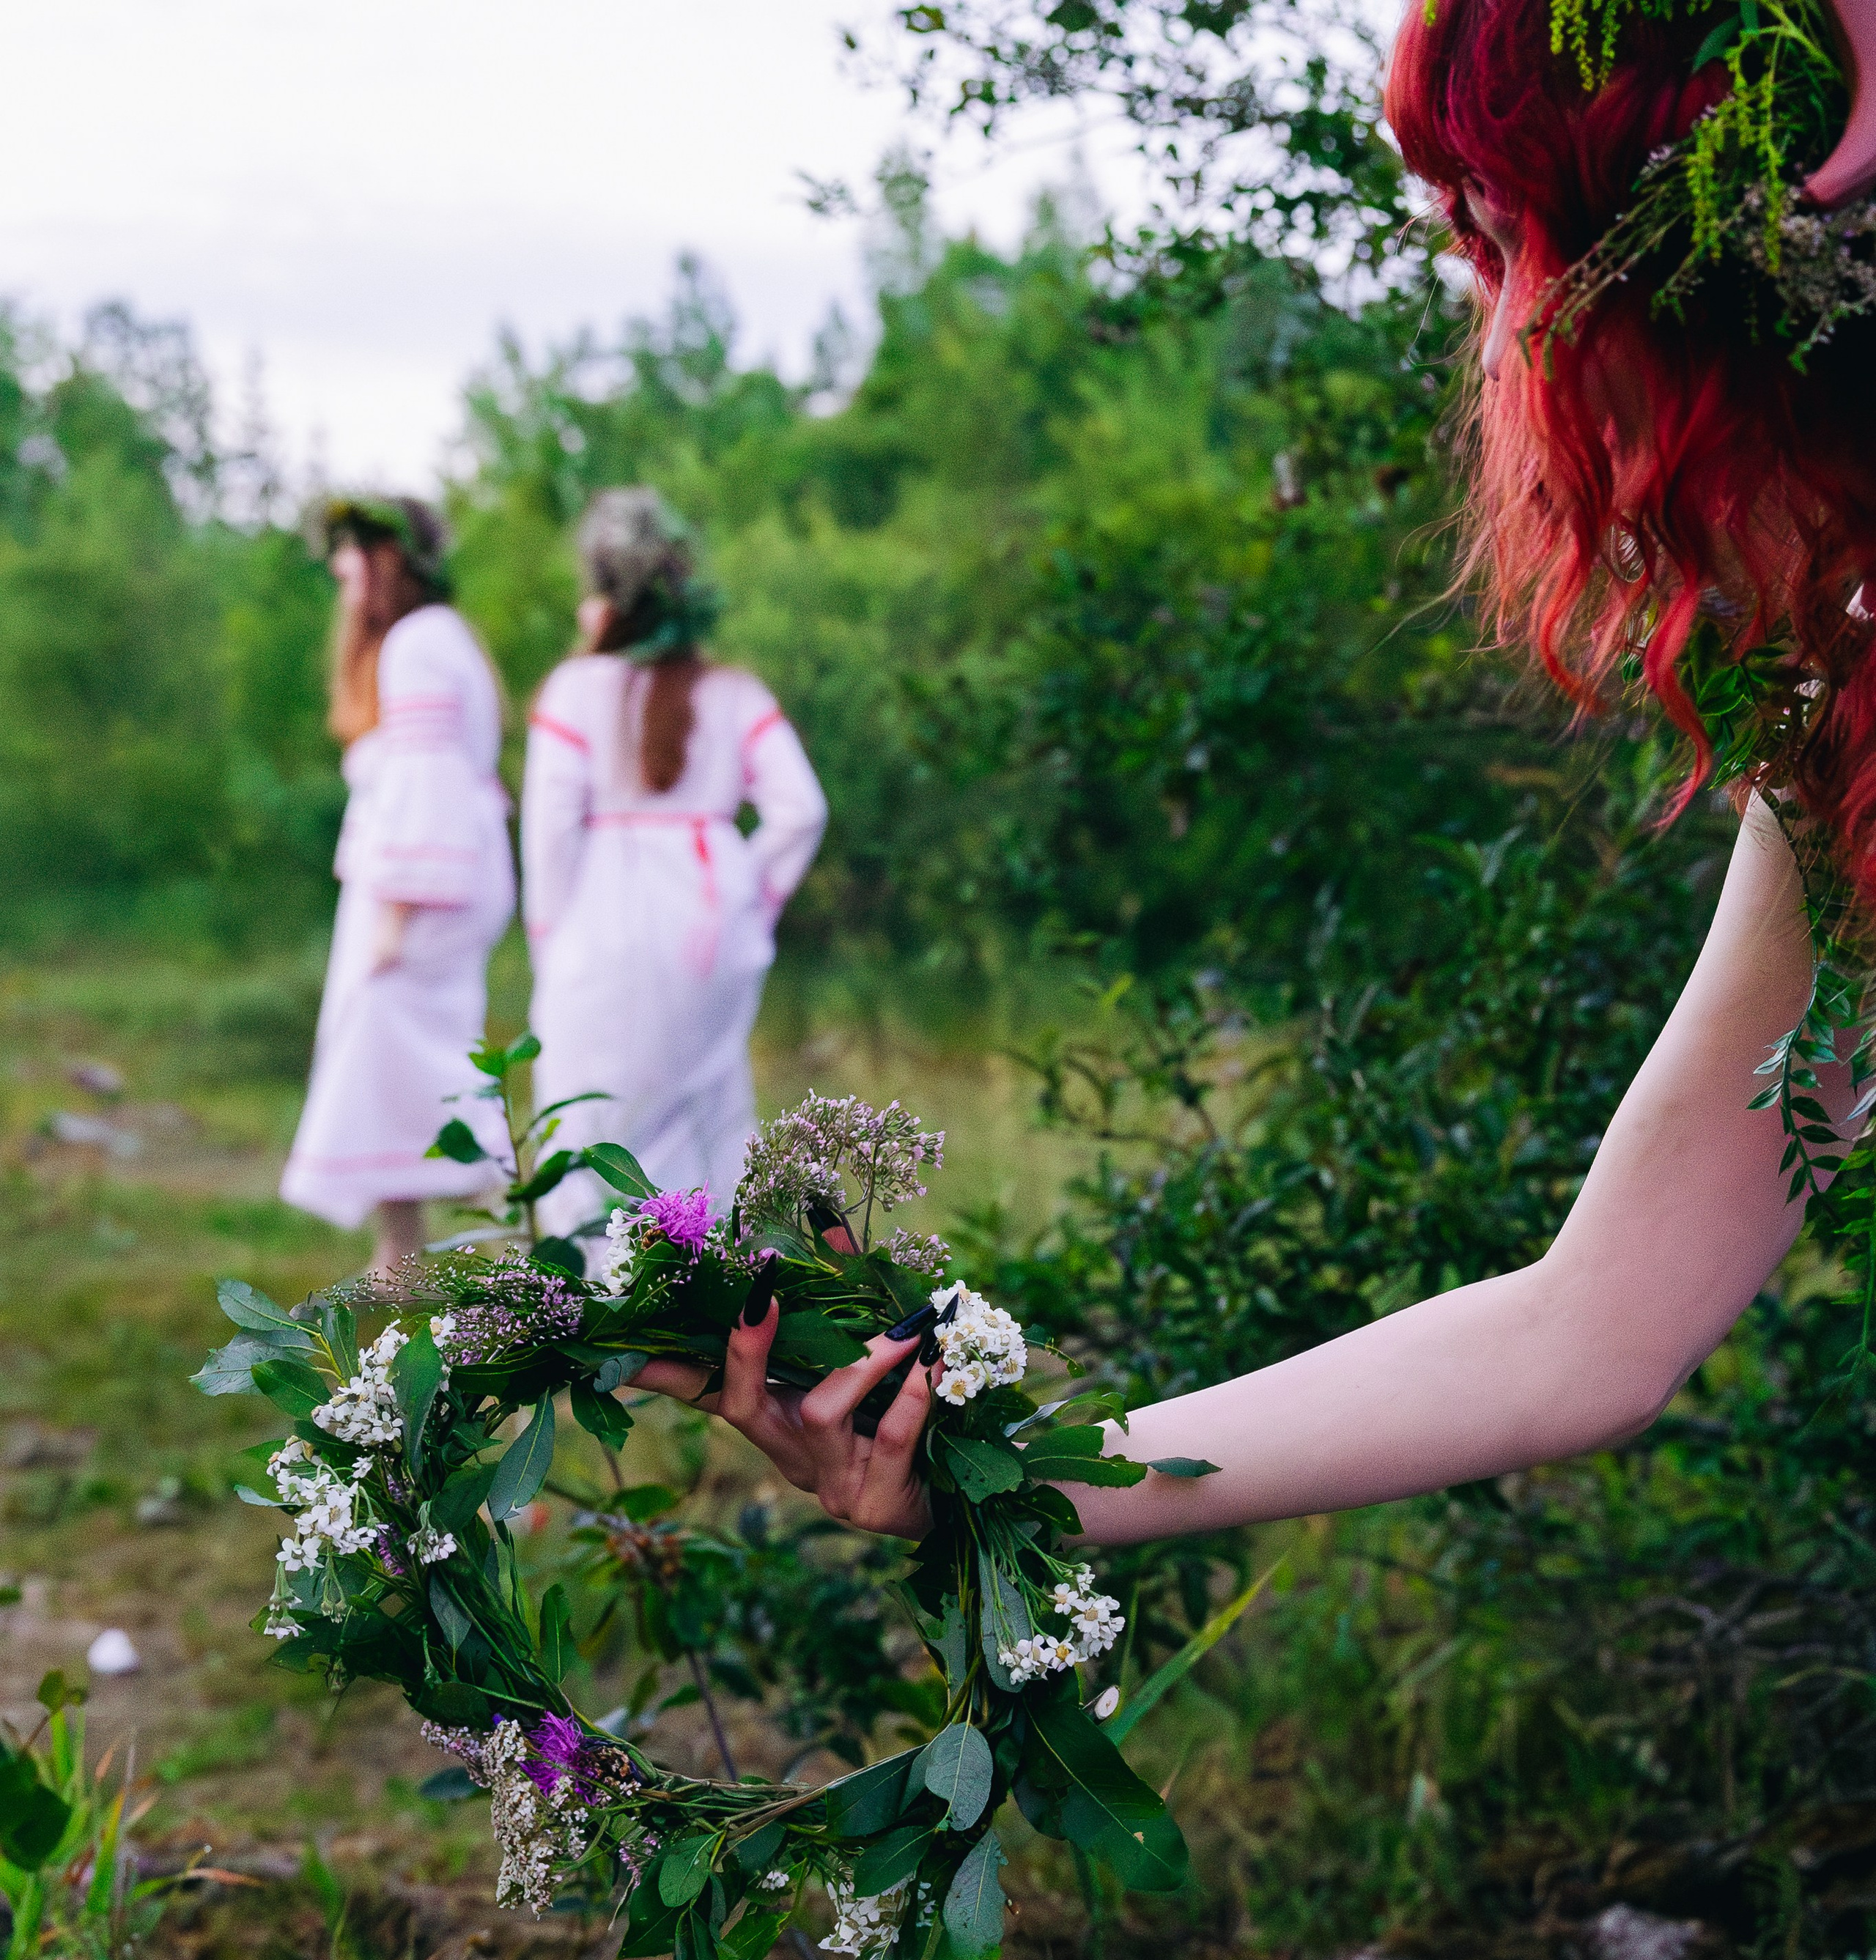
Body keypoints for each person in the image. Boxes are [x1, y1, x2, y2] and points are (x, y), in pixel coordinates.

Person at [637, 0, 1876, 1542]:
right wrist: (1007, 1480)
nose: (1493, 342)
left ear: (1724, 244)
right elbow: (1591, 1325)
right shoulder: (1833, 744)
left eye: (1509, 248)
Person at [521, 488, 827, 1238]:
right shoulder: (734, 691)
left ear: (602, 595)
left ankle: (592, 1308)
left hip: (600, 923)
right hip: (708, 919)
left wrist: (549, 940)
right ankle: (715, 1305)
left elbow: (550, 832)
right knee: (708, 1110)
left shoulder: (574, 688)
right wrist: (748, 898)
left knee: (591, 1108)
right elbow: (801, 810)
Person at [281, 498, 514, 1272]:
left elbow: (428, 779)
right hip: (437, 873)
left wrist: (394, 920)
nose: (339, 568)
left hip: (419, 885)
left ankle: (501, 1240)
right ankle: (404, 1252)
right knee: (399, 1059)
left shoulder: (415, 645)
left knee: (404, 1051)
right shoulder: (440, 637)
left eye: (351, 552)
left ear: (388, 559)